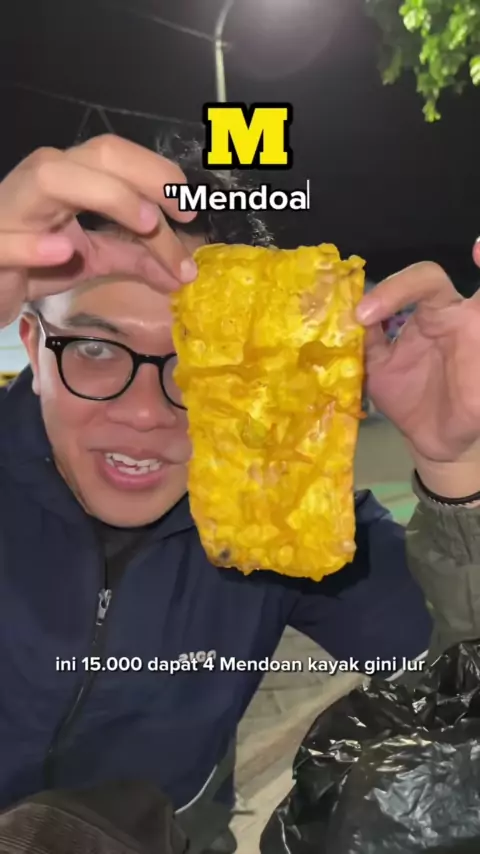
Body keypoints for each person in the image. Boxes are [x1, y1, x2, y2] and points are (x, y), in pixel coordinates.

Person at [1, 133, 480, 853]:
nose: (145, 412)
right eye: (95, 348)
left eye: (201, 358)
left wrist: (455, 466)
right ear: (35, 347)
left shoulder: (281, 516)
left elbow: (457, 683)